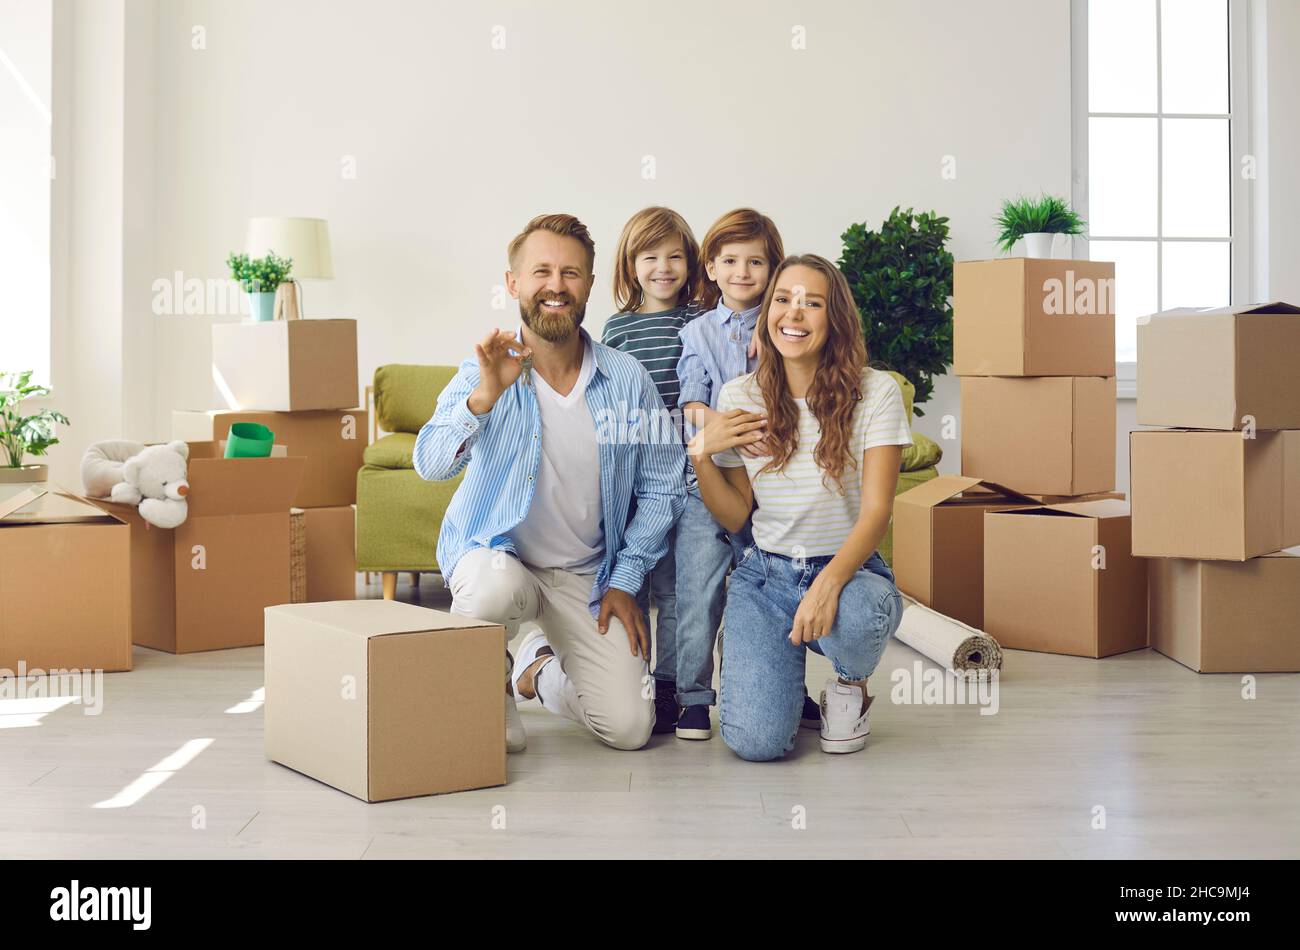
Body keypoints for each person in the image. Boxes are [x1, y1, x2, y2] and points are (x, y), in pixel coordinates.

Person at [413, 213, 685, 752]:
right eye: (541, 272)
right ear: (513, 283)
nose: (555, 286)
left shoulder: (625, 377)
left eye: (571, 273)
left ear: (588, 285)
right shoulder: (483, 370)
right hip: (500, 558)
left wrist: (625, 579)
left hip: (588, 574)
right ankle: (484, 684)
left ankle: (536, 671)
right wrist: (484, 398)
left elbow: (664, 485)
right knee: (492, 589)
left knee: (631, 729)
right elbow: (430, 463)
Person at [687, 254, 911, 761]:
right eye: (784, 300)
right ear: (768, 312)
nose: (794, 314)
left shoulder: (875, 392)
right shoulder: (740, 394)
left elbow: (878, 510)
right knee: (756, 745)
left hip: (848, 572)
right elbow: (736, 516)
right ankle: (767, 665)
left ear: (835, 320)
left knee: (855, 617)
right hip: (765, 577)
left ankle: (849, 688)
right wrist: (701, 452)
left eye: (813, 304)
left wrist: (825, 586)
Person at [671, 208, 792, 741]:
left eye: (756, 262)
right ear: (712, 268)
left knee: (774, 588)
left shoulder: (786, 323)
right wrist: (725, 427)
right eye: (730, 261)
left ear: (773, 268)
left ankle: (787, 688)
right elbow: (691, 401)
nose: (743, 271)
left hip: (773, 484)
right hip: (711, 479)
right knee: (697, 593)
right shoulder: (697, 332)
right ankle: (692, 698)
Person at [600, 206, 705, 735]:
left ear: (690, 263)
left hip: (687, 476)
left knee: (677, 589)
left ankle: (671, 686)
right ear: (630, 264)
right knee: (632, 580)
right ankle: (632, 681)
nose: (663, 267)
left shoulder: (700, 320)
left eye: (675, 256)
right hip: (633, 474)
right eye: (650, 257)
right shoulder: (616, 330)